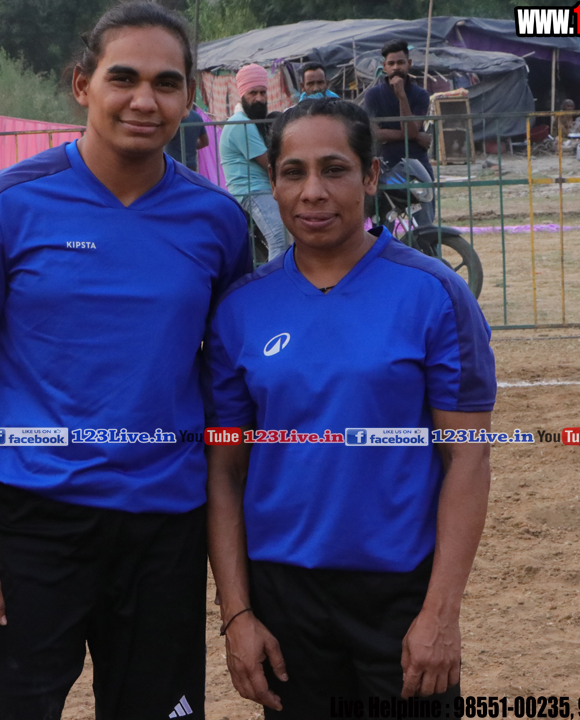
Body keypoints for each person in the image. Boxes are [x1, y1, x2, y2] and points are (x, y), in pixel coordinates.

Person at [0, 3, 251, 718]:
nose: (144, 100)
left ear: (188, 98)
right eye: (123, 78)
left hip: (166, 528)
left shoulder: (218, 221)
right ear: (82, 84)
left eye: (166, 83)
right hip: (36, 524)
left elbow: (230, 384)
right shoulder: (8, 205)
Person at [206, 98, 496, 717]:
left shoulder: (435, 294)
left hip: (400, 597)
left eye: (334, 169)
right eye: (294, 172)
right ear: (272, 181)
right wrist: (237, 613)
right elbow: (225, 472)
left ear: (370, 176)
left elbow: (467, 460)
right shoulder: (240, 309)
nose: (313, 191)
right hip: (284, 599)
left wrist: (441, 613)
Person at [220, 63, 289, 260]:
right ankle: (275, 278)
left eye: (262, 92)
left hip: (262, 188)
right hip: (252, 191)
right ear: (242, 94)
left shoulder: (250, 122)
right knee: (278, 237)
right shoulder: (240, 124)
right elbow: (268, 163)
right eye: (253, 93)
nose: (259, 98)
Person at [362, 40, 433, 179]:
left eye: (400, 62)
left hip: (417, 161)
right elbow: (374, 134)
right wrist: (416, 136)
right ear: (384, 66)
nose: (396, 67)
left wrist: (402, 96)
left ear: (409, 63)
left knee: (425, 190)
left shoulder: (421, 95)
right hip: (385, 162)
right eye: (391, 63)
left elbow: (410, 131)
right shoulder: (373, 95)